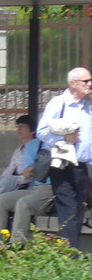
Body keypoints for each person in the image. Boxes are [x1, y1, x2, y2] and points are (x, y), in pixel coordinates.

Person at [36, 66, 92, 247]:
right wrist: (64, 137)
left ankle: (70, 255)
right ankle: (69, 257)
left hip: (81, 167)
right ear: (73, 83)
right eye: (86, 81)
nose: (90, 84)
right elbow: (42, 131)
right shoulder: (58, 103)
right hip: (62, 165)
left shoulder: (87, 108)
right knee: (68, 212)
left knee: (78, 212)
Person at [0, 115, 53, 248]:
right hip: (34, 189)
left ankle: (16, 247)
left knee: (23, 203)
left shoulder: (59, 144)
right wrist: (46, 164)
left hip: (50, 189)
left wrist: (38, 166)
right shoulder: (33, 145)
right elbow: (26, 172)